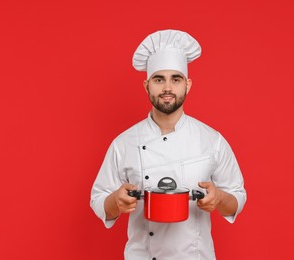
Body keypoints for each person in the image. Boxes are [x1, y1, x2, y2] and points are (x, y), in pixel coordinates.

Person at [90, 29, 247, 260]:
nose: (167, 88)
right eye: (158, 79)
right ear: (146, 85)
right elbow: (98, 200)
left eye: (176, 79)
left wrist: (219, 199)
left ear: (188, 84)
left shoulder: (212, 140)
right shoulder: (123, 143)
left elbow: (237, 199)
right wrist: (115, 201)